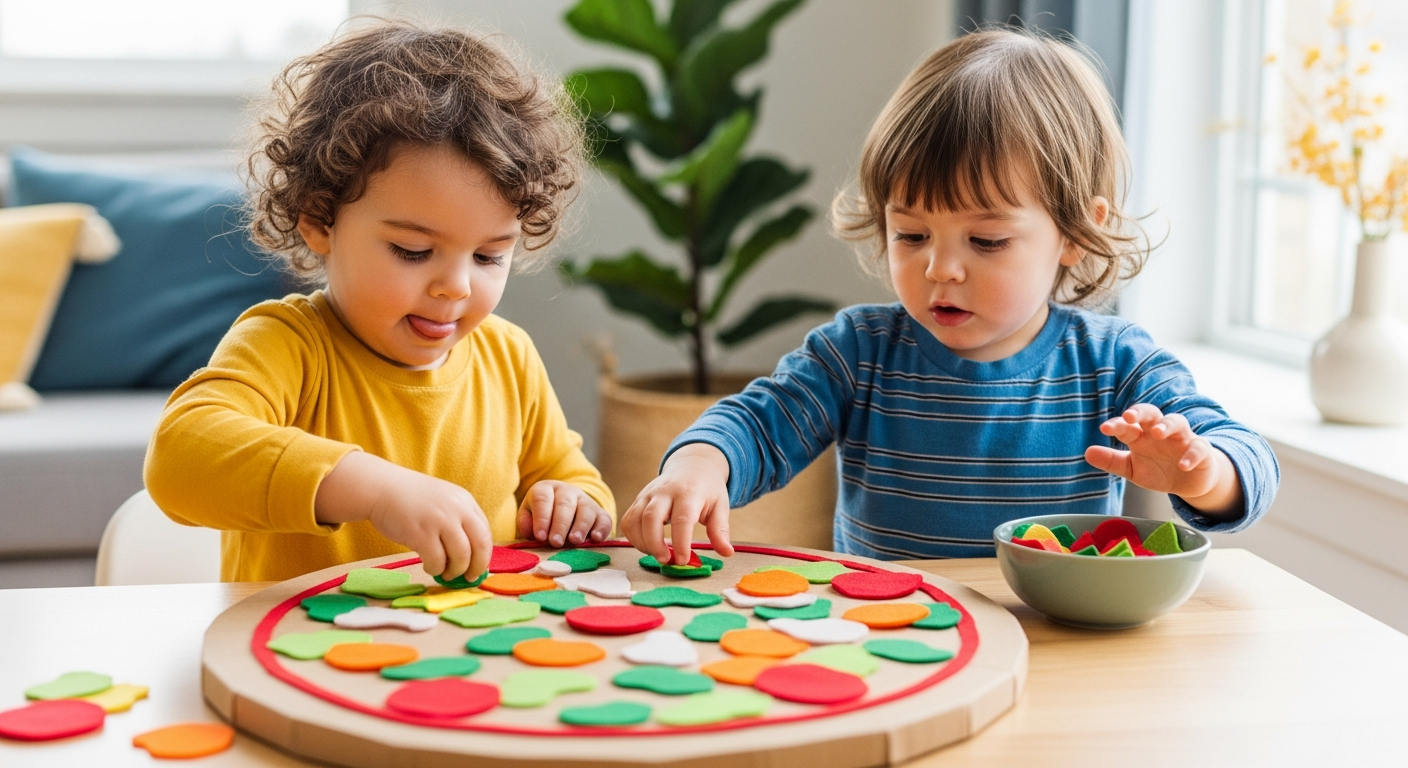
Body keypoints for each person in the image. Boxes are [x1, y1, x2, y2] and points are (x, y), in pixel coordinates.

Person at [621, 29, 1278, 564]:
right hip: (894, 636)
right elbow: (758, 423)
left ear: (1078, 232)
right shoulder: (858, 353)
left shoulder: (1113, 363)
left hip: (1052, 642)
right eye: (910, 234)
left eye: (986, 241)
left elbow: (1246, 458)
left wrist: (1202, 474)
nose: (940, 269)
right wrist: (699, 466)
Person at [145, 22, 613, 583]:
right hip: (294, 638)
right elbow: (179, 457)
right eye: (413, 251)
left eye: (489, 256)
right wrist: (373, 488)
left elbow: (569, 475)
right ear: (320, 220)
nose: (456, 286)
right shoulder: (286, 345)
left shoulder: (510, 358)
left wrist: (573, 502)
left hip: (478, 636)